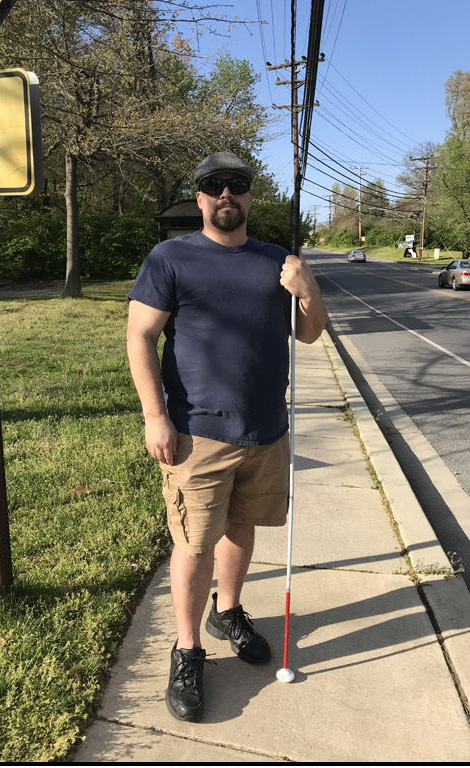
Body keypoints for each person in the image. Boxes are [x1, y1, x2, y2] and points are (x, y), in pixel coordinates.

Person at [125, 152, 328, 722]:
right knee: (194, 543)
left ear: (249, 196)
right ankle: (188, 649)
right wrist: (154, 416)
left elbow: (309, 334)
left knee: (241, 526)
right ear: (199, 199)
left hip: (265, 430)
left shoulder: (275, 261)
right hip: (197, 434)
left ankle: (228, 612)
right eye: (214, 187)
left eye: (237, 186)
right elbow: (140, 337)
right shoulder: (171, 258)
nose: (226, 195)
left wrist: (307, 287)